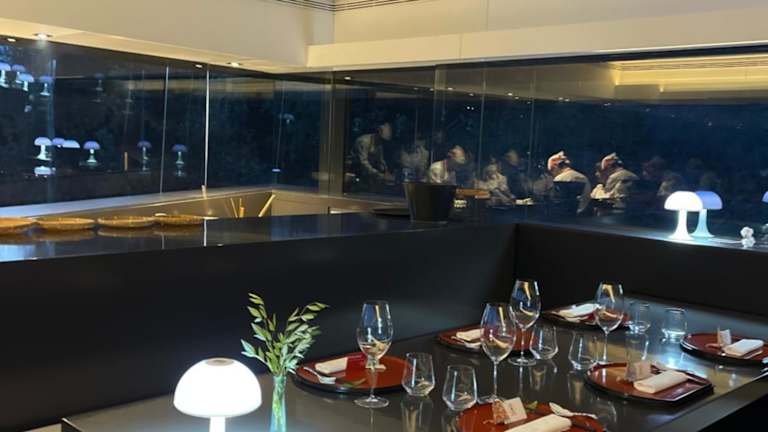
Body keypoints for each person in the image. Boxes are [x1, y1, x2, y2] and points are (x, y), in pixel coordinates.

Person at [349, 121, 394, 190]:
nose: (382, 142)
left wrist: (386, 171)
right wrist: (380, 175)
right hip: (355, 169)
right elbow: (363, 163)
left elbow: (380, 160)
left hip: (368, 171)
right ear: (378, 134)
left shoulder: (379, 143)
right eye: (382, 139)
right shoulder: (364, 141)